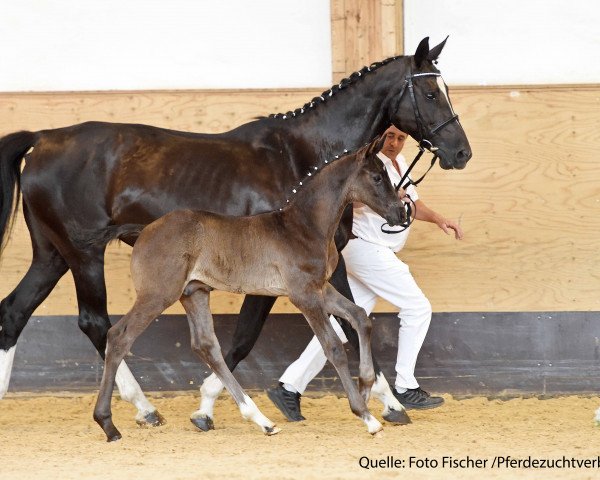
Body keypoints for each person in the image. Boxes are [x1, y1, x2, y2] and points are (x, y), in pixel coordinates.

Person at [267, 125, 464, 421]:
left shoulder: (400, 165)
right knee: (418, 307)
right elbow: (353, 198)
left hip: (377, 251)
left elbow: (413, 202)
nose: (395, 143)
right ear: (379, 137)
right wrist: (385, 194)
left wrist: (438, 219)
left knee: (343, 321)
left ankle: (289, 386)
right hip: (366, 248)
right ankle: (405, 385)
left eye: (400, 138)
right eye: (390, 137)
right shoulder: (369, 164)